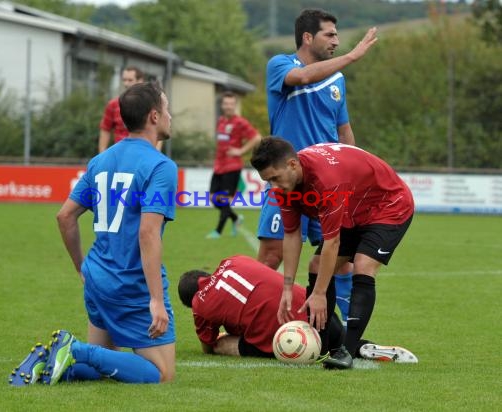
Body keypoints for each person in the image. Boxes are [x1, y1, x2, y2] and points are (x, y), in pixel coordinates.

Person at [9, 82, 177, 386]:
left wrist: (81, 266)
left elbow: (65, 216)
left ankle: (54, 363)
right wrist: (155, 299)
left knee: (103, 363)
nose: (170, 115)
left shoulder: (101, 161)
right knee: (161, 374)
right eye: (167, 108)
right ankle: (73, 349)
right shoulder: (160, 166)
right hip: (131, 283)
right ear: (154, 116)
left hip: (98, 276)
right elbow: (148, 234)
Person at [251, 138, 415, 369]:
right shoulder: (283, 187)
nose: (273, 187)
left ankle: (347, 349)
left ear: (292, 165)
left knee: (362, 265)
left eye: (275, 178)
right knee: (316, 266)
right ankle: (323, 346)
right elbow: (291, 235)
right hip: (353, 209)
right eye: (268, 181)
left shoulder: (325, 181)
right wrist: (287, 287)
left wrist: (319, 293)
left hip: (388, 205)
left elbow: (332, 241)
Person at [259, 9, 378, 322]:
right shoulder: (280, 65)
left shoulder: (337, 80)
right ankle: (257, 323)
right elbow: (304, 77)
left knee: (340, 259)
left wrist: (356, 179)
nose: (336, 41)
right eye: (330, 34)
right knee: (272, 252)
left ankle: (352, 335)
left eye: (337, 35)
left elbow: (343, 130)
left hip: (327, 184)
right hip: (286, 181)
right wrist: (353, 56)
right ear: (308, 37)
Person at [177, 255, 417, 364]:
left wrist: (218, 334)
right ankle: (362, 346)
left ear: (190, 300)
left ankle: (300, 347)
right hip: (318, 314)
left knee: (220, 342)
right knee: (339, 342)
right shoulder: (234, 260)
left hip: (287, 340)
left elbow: (208, 346)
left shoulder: (200, 303)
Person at [206, 92, 261, 239]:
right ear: (222, 105)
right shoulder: (221, 121)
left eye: (231, 104)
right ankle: (236, 219)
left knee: (224, 200)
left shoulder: (240, 122)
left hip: (232, 167)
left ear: (235, 105)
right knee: (213, 198)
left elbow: (256, 137)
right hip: (219, 166)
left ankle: (217, 231)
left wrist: (241, 150)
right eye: (226, 104)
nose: (228, 106)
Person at [98, 66, 145, 153]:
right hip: (120, 154)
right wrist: (102, 156)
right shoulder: (113, 104)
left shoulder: (149, 104)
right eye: (124, 80)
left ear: (140, 81)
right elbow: (105, 129)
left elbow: (158, 129)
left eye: (130, 80)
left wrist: (155, 153)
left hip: (143, 153)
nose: (126, 84)